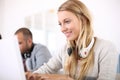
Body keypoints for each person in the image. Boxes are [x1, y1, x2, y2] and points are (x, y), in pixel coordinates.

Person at [26, 0, 118, 80]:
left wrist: (66, 79)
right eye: (60, 24)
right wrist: (32, 76)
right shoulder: (64, 49)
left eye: (67, 21)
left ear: (84, 20)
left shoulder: (106, 48)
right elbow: (47, 69)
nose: (62, 29)